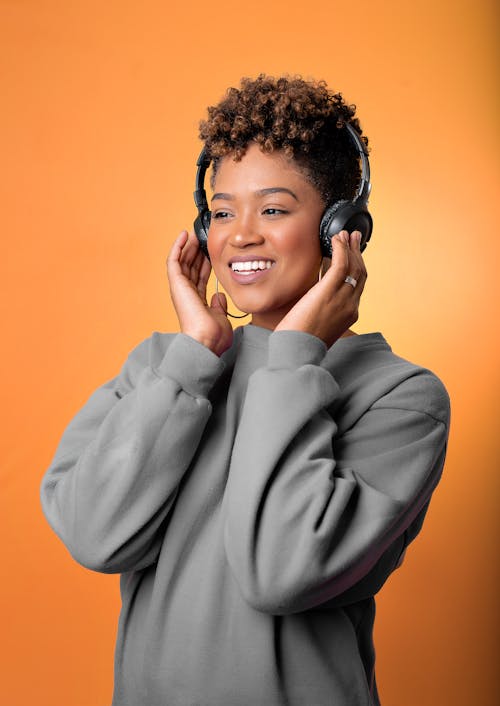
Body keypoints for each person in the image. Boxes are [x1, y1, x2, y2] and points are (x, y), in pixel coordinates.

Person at [40, 74, 450, 706]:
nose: (240, 235)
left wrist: (294, 359)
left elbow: (281, 574)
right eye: (223, 210)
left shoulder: (401, 398)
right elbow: (96, 538)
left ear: (342, 228)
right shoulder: (161, 369)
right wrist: (194, 357)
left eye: (275, 209)